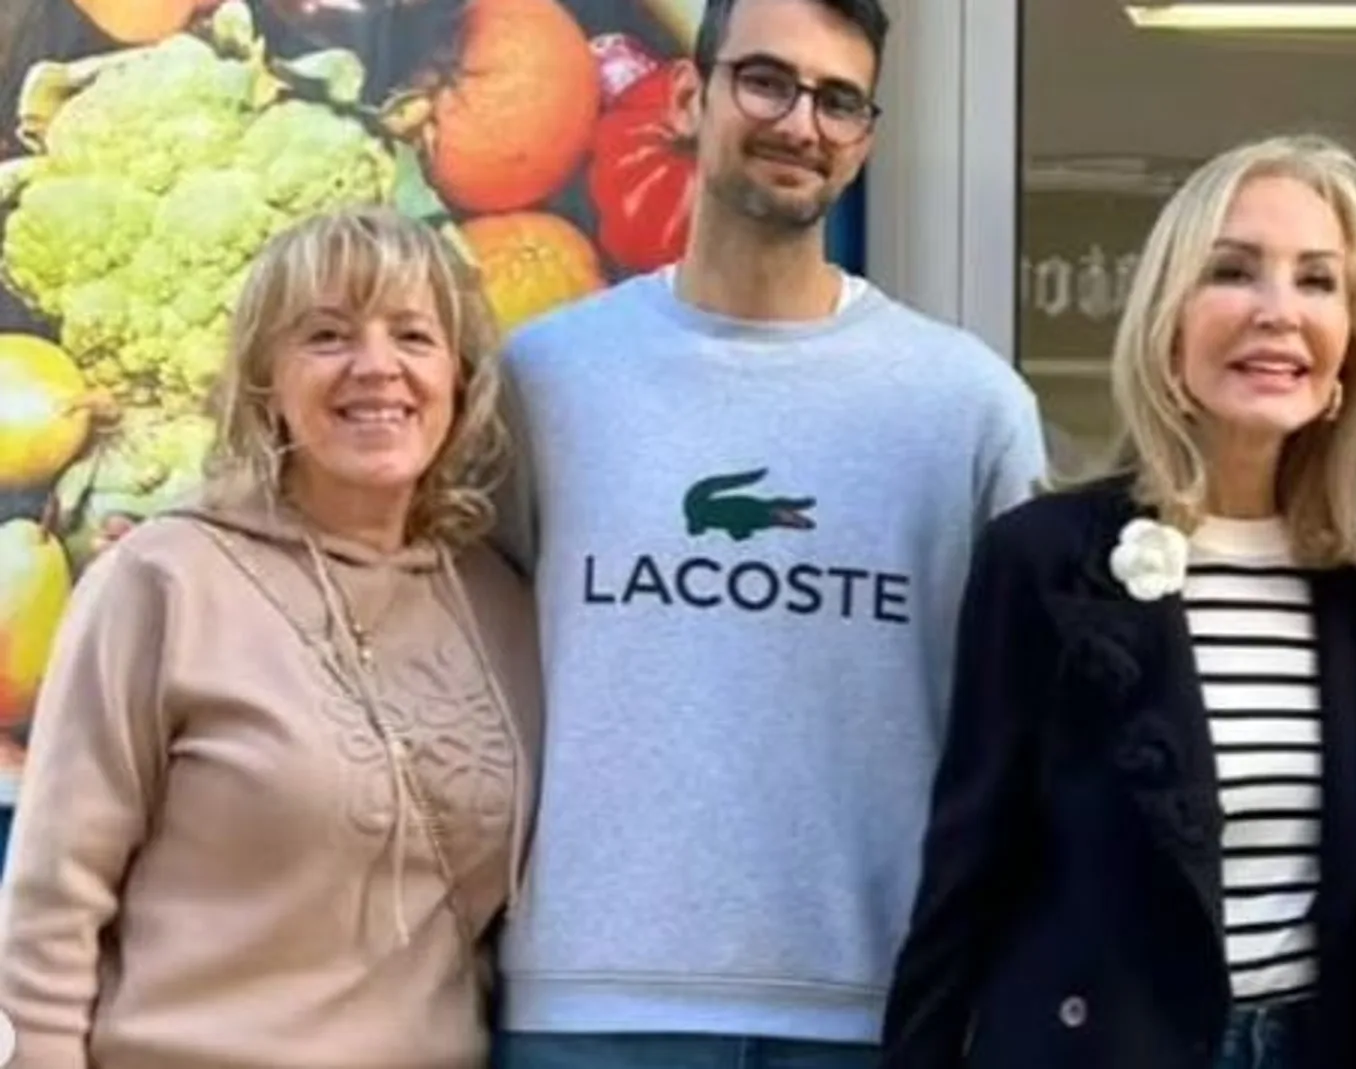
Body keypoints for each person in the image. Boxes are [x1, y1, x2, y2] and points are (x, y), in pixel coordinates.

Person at [486, 0, 1046, 1065]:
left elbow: (1021, 722)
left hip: (874, 1009)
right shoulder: (547, 379)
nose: (802, 121)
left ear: (866, 138)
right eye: (767, 82)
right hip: (589, 1010)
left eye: (838, 99)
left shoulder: (966, 407)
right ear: (689, 98)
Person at [879, 133, 1356, 1069]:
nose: (1279, 313)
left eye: (1317, 281)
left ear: (1348, 353)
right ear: (1169, 322)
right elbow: (966, 876)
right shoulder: (1043, 560)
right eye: (1234, 271)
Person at [0, 206, 542, 1068]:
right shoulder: (163, 581)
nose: (377, 368)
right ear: (266, 379)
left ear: (460, 375)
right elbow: (53, 903)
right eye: (327, 336)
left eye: (412, 335)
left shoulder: (499, 606)